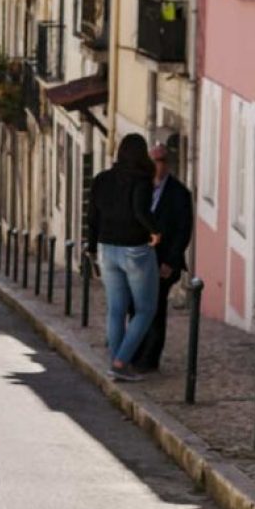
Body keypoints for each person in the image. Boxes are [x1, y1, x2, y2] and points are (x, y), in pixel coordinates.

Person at [88, 133, 161, 382]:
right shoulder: (141, 180)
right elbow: (140, 210)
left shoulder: (101, 179)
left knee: (116, 309)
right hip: (135, 249)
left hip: (107, 248)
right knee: (146, 309)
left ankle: (115, 363)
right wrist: (155, 231)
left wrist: (91, 248)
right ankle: (121, 361)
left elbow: (93, 217)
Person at [132, 142, 193, 372]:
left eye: (161, 161)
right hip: (137, 259)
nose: (158, 166)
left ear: (168, 164)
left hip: (162, 262)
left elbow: (183, 231)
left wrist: (170, 261)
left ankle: (150, 358)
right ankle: (135, 352)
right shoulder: (140, 187)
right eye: (154, 161)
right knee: (135, 306)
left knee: (156, 309)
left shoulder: (179, 194)